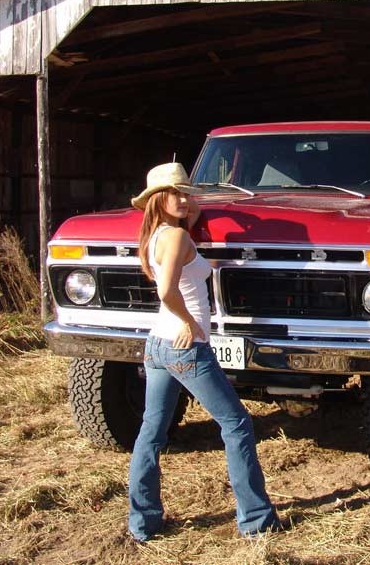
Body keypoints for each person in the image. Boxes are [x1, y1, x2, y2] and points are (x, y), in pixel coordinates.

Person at [127, 162, 279, 541]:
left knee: (151, 431)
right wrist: (190, 325)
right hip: (184, 346)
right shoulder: (177, 238)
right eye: (175, 193)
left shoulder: (156, 236)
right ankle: (256, 520)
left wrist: (190, 209)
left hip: (157, 344)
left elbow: (191, 218)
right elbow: (167, 292)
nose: (184, 199)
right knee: (237, 424)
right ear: (157, 200)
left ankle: (143, 523)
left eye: (186, 192)